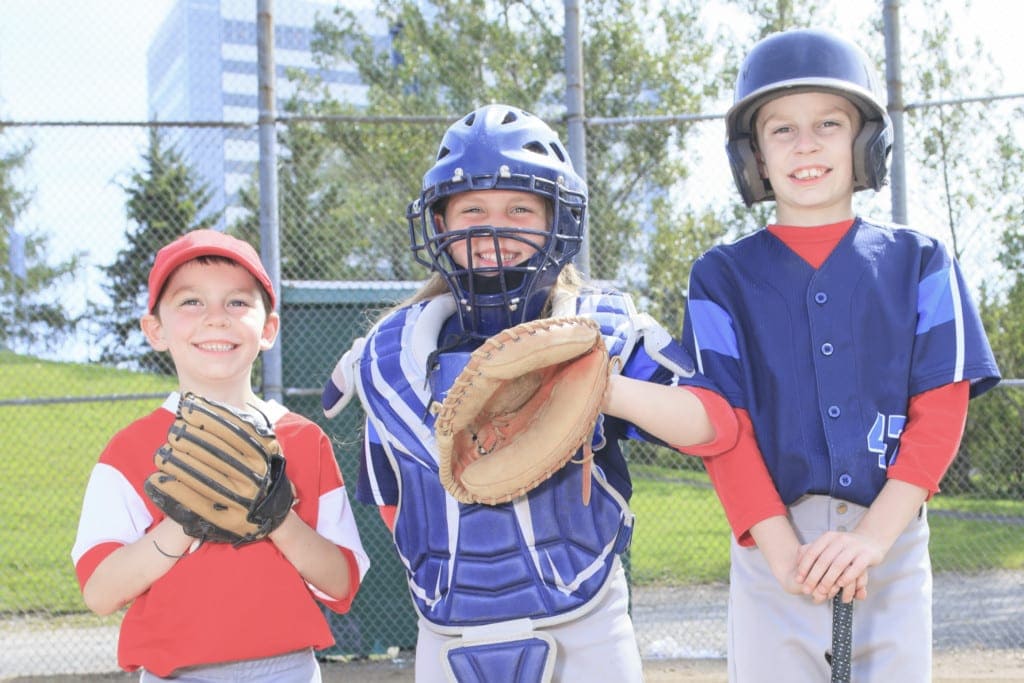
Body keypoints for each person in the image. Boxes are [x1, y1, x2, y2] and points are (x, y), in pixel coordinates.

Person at [321, 103, 739, 683]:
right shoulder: (388, 358)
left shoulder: (603, 327)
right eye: (474, 210)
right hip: (446, 630)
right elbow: (394, 502)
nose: (496, 229)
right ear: (439, 223)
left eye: (520, 208)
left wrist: (598, 386)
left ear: (556, 220)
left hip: (584, 624)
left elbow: (713, 426)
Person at [682, 28, 1001, 682]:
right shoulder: (720, 276)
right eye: (781, 129)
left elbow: (938, 412)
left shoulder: (921, 262)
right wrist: (781, 554)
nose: (806, 144)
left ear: (865, 145)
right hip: (774, 540)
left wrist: (872, 537)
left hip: (892, 532)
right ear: (755, 157)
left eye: (829, 123)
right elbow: (723, 427)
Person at [71, 229, 370, 682]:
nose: (215, 318)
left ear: (268, 328)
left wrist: (277, 519)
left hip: (286, 670)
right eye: (191, 302)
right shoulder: (131, 449)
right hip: (175, 674)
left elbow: (341, 582)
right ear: (155, 329)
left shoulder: (302, 439)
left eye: (237, 303)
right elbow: (99, 591)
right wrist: (184, 522)